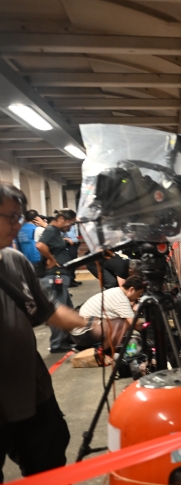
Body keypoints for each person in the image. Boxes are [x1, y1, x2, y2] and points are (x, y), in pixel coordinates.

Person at [0, 182, 107, 481]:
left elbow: (48, 310)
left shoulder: (14, 261)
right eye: (10, 217)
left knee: (49, 461)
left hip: (34, 393)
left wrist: (94, 326)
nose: (17, 225)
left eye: (19, 217)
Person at [36, 209, 77, 353]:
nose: (70, 228)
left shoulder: (54, 231)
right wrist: (52, 259)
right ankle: (57, 344)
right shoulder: (51, 230)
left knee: (68, 310)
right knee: (58, 311)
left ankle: (66, 339)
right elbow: (40, 245)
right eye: (69, 224)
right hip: (54, 276)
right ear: (60, 219)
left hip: (59, 275)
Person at [70, 275, 146, 348]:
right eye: (139, 294)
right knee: (124, 322)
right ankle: (106, 350)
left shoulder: (116, 291)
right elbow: (134, 323)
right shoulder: (121, 300)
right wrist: (147, 332)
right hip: (83, 335)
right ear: (131, 289)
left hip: (80, 331)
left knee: (123, 319)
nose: (138, 297)